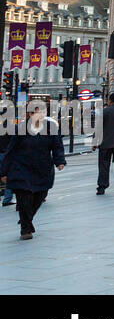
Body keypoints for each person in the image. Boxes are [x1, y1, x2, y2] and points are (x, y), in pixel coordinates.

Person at [1, 102, 66, 239]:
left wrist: (59, 161)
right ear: (30, 114)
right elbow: (10, 151)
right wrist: (4, 171)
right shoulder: (20, 129)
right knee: (24, 196)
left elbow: (57, 146)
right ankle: (25, 229)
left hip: (42, 167)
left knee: (40, 195)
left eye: (43, 112)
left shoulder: (51, 128)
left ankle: (27, 219)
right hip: (21, 167)